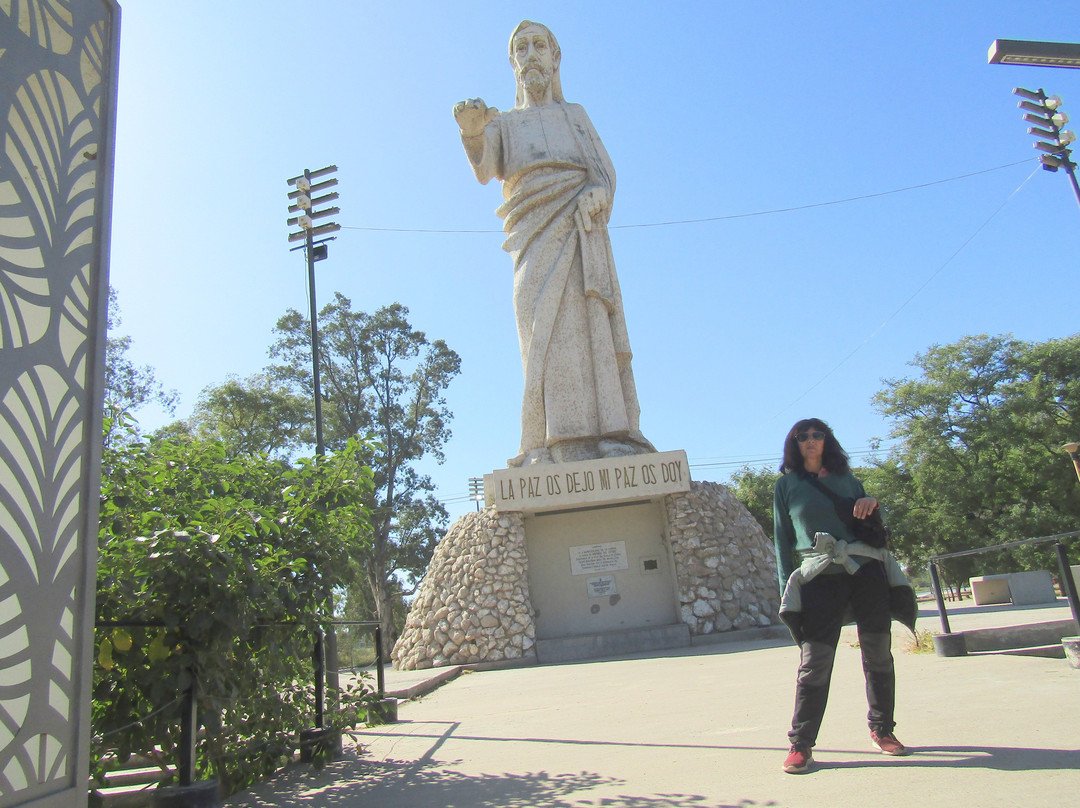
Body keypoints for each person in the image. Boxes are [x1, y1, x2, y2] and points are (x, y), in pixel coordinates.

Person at [453, 21, 654, 468]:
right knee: (540, 335)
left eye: (538, 45)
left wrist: (600, 192)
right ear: (512, 62)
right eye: (520, 48)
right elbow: (486, 168)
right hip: (532, 236)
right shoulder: (501, 123)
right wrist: (471, 134)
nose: (530, 54)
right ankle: (545, 444)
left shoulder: (575, 115)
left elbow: (605, 171)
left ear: (555, 56)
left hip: (582, 230)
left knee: (592, 330)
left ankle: (614, 436)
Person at [772, 418, 915, 774]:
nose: (809, 440)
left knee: (879, 654)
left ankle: (883, 731)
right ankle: (800, 745)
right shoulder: (786, 486)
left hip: (866, 573)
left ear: (827, 440)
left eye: (817, 435)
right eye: (801, 436)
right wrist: (784, 593)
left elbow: (869, 518)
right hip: (820, 578)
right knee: (814, 663)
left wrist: (869, 500)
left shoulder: (849, 479)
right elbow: (782, 542)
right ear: (794, 443)